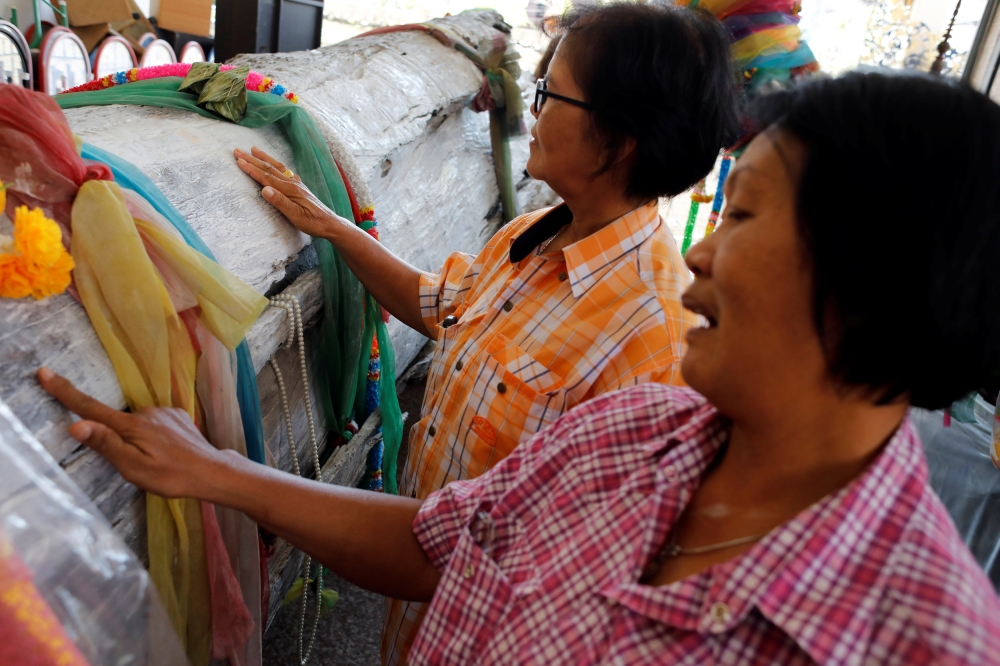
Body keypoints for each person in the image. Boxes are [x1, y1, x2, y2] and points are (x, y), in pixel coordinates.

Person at [41, 70, 1000, 663]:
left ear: (867, 272)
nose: (704, 253)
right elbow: (441, 545)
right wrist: (208, 470)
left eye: (744, 217)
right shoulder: (635, 437)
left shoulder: (925, 640)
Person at [231, 3, 738, 660]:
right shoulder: (531, 239)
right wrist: (331, 226)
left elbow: (560, 576)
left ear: (621, 137)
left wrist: (222, 475)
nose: (530, 110)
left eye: (549, 92)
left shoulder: (654, 345)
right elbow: (441, 305)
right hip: (418, 620)